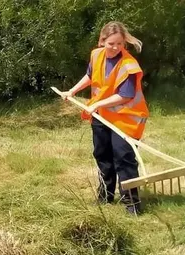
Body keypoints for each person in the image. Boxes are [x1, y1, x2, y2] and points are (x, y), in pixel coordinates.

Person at [60, 21, 149, 215]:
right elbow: (90, 76)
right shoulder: (96, 55)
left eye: (119, 44)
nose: (116, 47)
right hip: (101, 115)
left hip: (126, 118)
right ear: (102, 41)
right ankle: (105, 196)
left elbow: (125, 96)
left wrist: (97, 104)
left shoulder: (129, 65)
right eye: (111, 44)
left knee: (123, 158)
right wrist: (72, 91)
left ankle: (132, 204)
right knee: (102, 154)